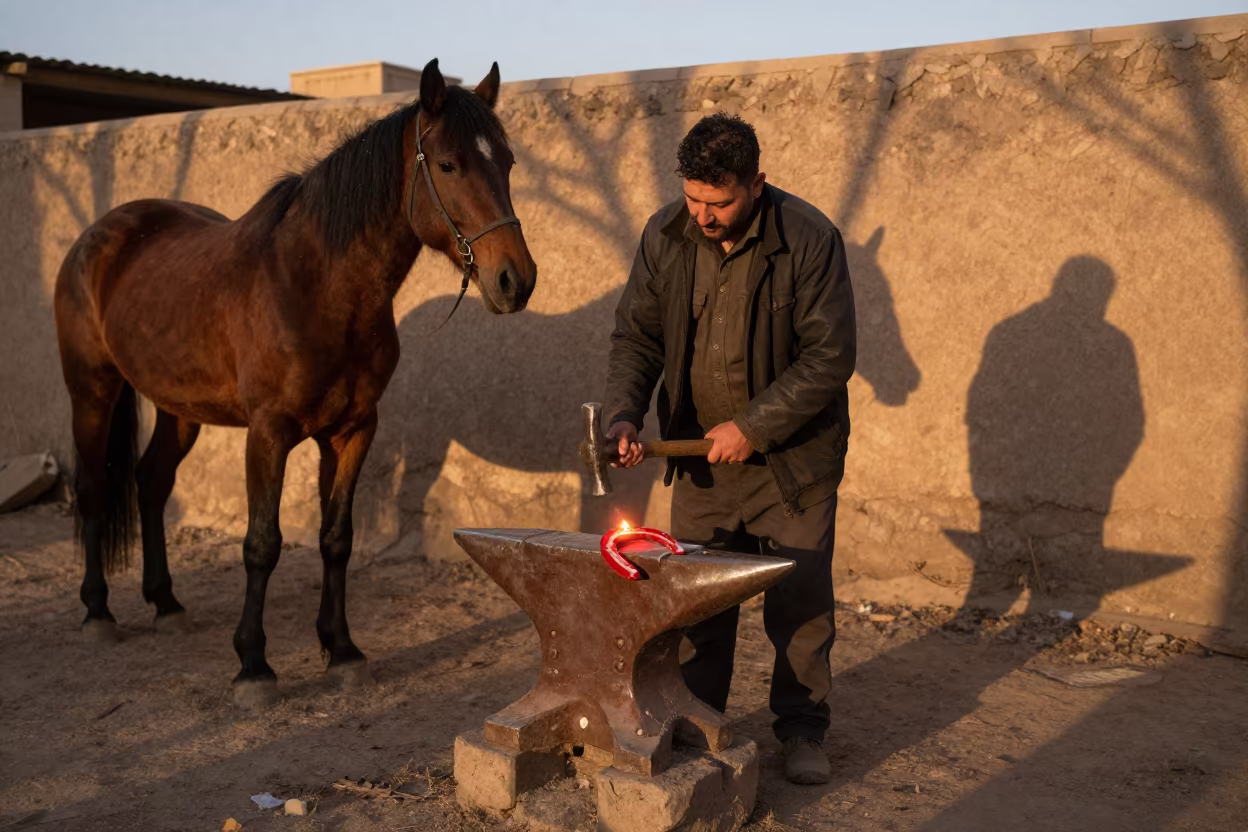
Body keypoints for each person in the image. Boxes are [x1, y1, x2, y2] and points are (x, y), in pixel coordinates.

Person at [604, 113, 856, 785]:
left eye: (719, 203)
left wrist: (752, 426)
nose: (704, 216)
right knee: (697, 609)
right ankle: (696, 719)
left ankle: (802, 730)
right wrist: (626, 414)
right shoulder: (667, 236)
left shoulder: (809, 238)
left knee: (798, 606)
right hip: (702, 468)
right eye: (693, 200)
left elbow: (830, 357)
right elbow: (637, 336)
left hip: (791, 465)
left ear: (757, 184)